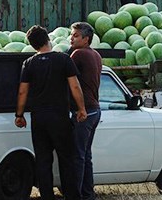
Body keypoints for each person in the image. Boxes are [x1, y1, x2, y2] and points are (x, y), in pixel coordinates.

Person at [15, 25, 87, 200]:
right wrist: (81, 108)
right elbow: (75, 86)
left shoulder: (29, 63)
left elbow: (23, 91)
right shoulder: (63, 60)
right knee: (66, 159)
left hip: (38, 119)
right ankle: (72, 196)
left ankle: (47, 196)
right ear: (48, 39)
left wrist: (19, 115)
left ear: (33, 46)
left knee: (43, 161)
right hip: (59, 118)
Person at [68, 22, 102, 200]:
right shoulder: (96, 54)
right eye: (71, 35)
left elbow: (66, 76)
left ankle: (75, 195)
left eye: (75, 35)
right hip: (95, 111)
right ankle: (88, 195)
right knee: (85, 155)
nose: (71, 38)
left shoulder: (78, 54)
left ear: (86, 39)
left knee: (78, 156)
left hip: (85, 111)